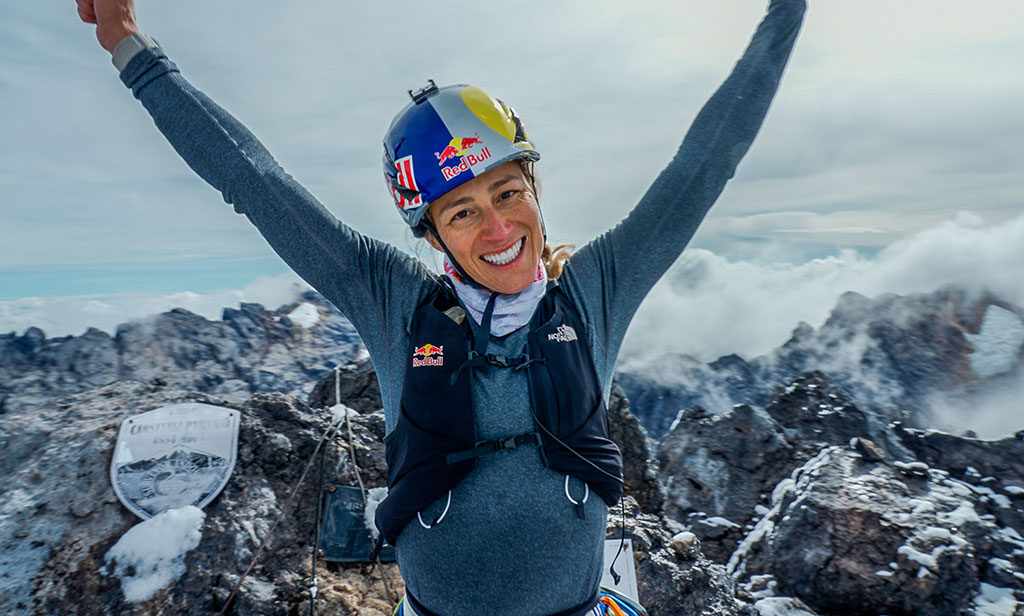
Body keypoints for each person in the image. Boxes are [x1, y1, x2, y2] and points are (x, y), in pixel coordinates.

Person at [77, 0, 806, 614]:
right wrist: (131, 50)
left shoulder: (595, 293)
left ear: (534, 191)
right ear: (431, 234)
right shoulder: (391, 299)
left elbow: (709, 160)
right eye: (461, 213)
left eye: (508, 194)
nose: (496, 229)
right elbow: (255, 180)